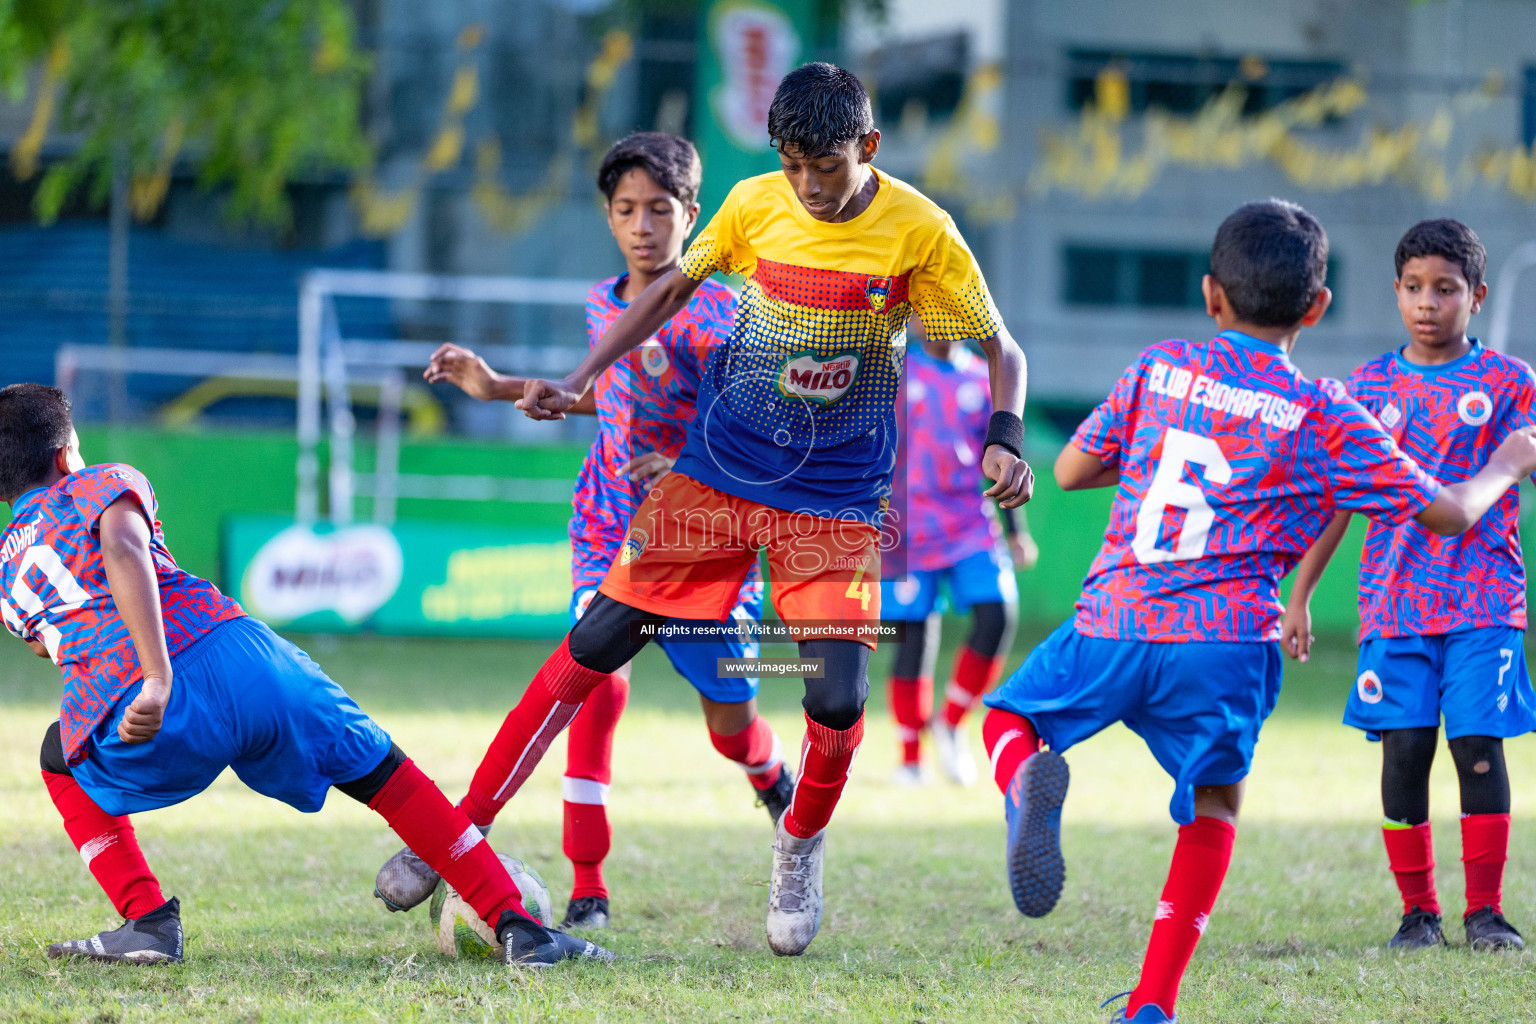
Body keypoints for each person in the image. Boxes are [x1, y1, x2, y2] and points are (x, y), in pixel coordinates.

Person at [384, 62, 1033, 958]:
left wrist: (1006, 433)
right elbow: (668, 292)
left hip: (834, 500)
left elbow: (1001, 349)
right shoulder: (754, 204)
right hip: (719, 475)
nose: (809, 187)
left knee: (838, 704)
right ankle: (456, 832)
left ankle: (797, 849)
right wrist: (577, 377)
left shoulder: (923, 230)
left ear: (869, 149)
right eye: (794, 164)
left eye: (829, 167)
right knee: (593, 648)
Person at [977, 200, 1536, 1022]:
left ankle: (1023, 783)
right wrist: (1511, 461)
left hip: (1116, 614)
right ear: (1317, 307)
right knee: (1213, 808)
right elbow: (1449, 513)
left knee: (1006, 720)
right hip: (1229, 640)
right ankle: (1152, 1004)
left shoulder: (1159, 368)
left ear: (1211, 296)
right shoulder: (1330, 415)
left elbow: (1065, 471)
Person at [0, 383, 612, 967]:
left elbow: (54, 638)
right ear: (65, 452)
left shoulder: (8, 573)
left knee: (59, 755)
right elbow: (125, 549)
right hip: (236, 655)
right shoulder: (102, 483)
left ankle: (148, 920)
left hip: (134, 714)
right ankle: (517, 925)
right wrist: (158, 675)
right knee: (388, 777)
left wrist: (148, 684)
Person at [375, 132, 793, 931]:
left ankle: (769, 775)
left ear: (692, 216)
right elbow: (609, 396)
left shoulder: (729, 309)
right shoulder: (605, 302)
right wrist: (499, 387)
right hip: (608, 528)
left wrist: (684, 459)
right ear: (608, 216)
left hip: (704, 542)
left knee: (728, 722)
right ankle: (589, 887)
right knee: (590, 688)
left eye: (660, 210)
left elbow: (758, 425)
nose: (643, 226)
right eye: (627, 209)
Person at [1282, 219, 1535, 952]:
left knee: (1479, 747)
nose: (1429, 303)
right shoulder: (1365, 389)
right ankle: (1417, 914)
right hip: (1393, 606)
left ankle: (1485, 913)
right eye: (1415, 288)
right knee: (1404, 750)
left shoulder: (1510, 383)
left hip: (1486, 602)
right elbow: (1335, 500)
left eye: (1446, 289)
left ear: (1477, 296)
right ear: (1396, 293)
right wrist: (1298, 597)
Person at [882, 318, 1038, 786]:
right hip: (907, 529)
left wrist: (1016, 529)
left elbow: (1001, 458)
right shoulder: (894, 370)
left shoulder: (985, 377)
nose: (939, 315)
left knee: (999, 616)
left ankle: (950, 721)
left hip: (970, 523)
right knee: (913, 638)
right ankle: (910, 759)